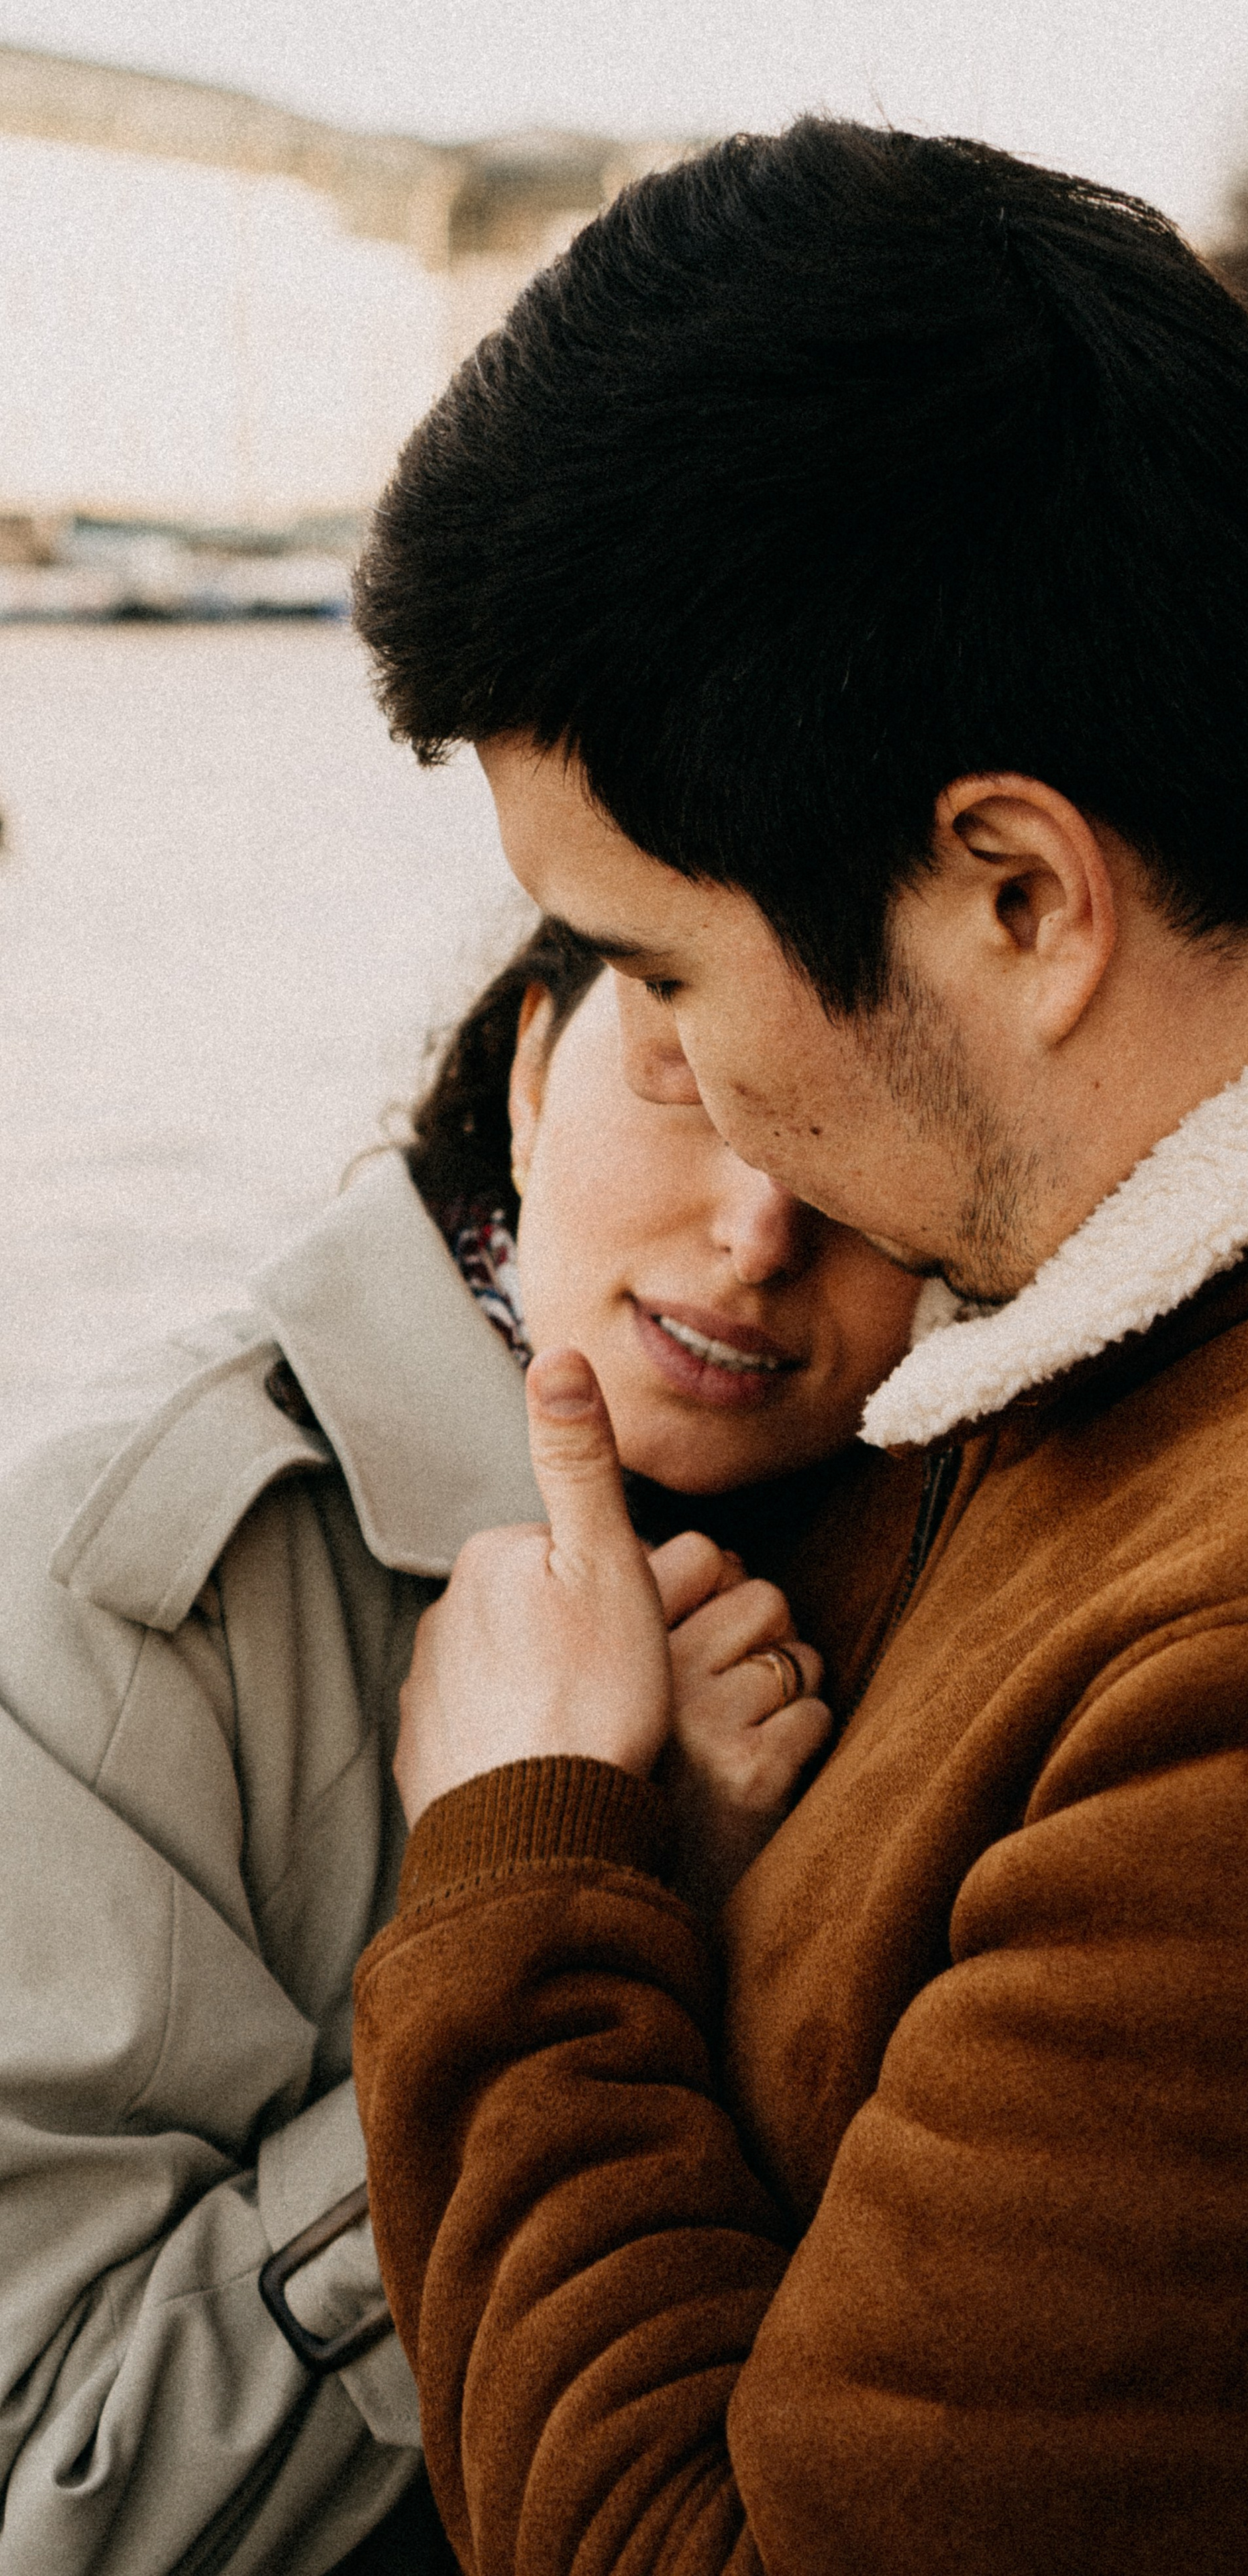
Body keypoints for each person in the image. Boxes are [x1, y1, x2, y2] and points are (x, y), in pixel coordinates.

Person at [346, 119, 1248, 2576]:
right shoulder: (1234, 1284)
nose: (683, 1074)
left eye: (663, 972)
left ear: (1014, 893)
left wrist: (522, 1869)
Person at [0, 916, 921, 2576]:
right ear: (525, 1062)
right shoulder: (121, 1593)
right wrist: (584, 1890)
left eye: (858, 1132)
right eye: (688, 1082)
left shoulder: (970, 1520)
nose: (760, 1227)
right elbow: (69, 2508)